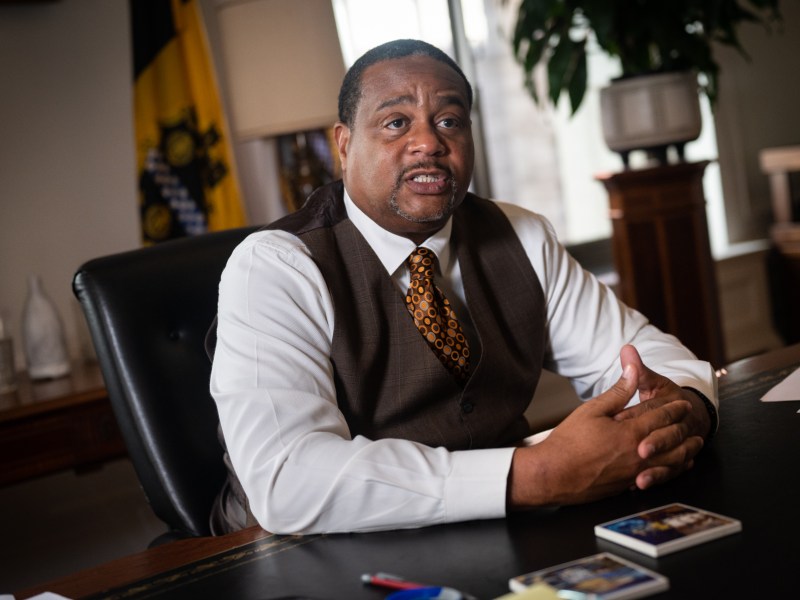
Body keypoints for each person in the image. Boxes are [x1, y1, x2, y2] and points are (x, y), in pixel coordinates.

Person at [207, 39, 718, 536]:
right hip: (300, 556)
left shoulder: (519, 234)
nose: (429, 142)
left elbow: (645, 359)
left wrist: (685, 411)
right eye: (396, 122)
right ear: (344, 144)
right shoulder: (275, 267)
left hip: (498, 532)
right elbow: (287, 478)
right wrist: (535, 473)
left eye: (449, 121)